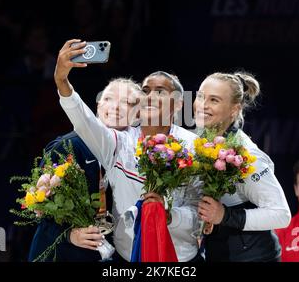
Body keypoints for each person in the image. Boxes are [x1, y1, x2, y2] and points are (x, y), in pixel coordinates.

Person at [54, 39, 201, 262]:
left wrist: (170, 216)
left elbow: (200, 212)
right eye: (146, 90)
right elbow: (83, 120)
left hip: (179, 258)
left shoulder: (194, 147)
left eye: (160, 92)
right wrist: (62, 79)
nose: (150, 96)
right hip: (128, 257)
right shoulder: (119, 142)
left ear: (179, 104)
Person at [27, 77, 140, 261]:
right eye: (108, 98)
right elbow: (38, 208)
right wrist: (69, 234)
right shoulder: (67, 146)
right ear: (98, 105)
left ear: (138, 115)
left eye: (126, 102)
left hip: (114, 253)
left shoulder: (139, 155)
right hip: (62, 253)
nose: (116, 107)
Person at [193, 71, 291, 262]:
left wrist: (224, 215)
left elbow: (281, 214)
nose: (202, 105)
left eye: (214, 100)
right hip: (218, 253)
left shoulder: (247, 155)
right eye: (200, 96)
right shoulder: (198, 139)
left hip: (255, 257)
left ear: (234, 109)